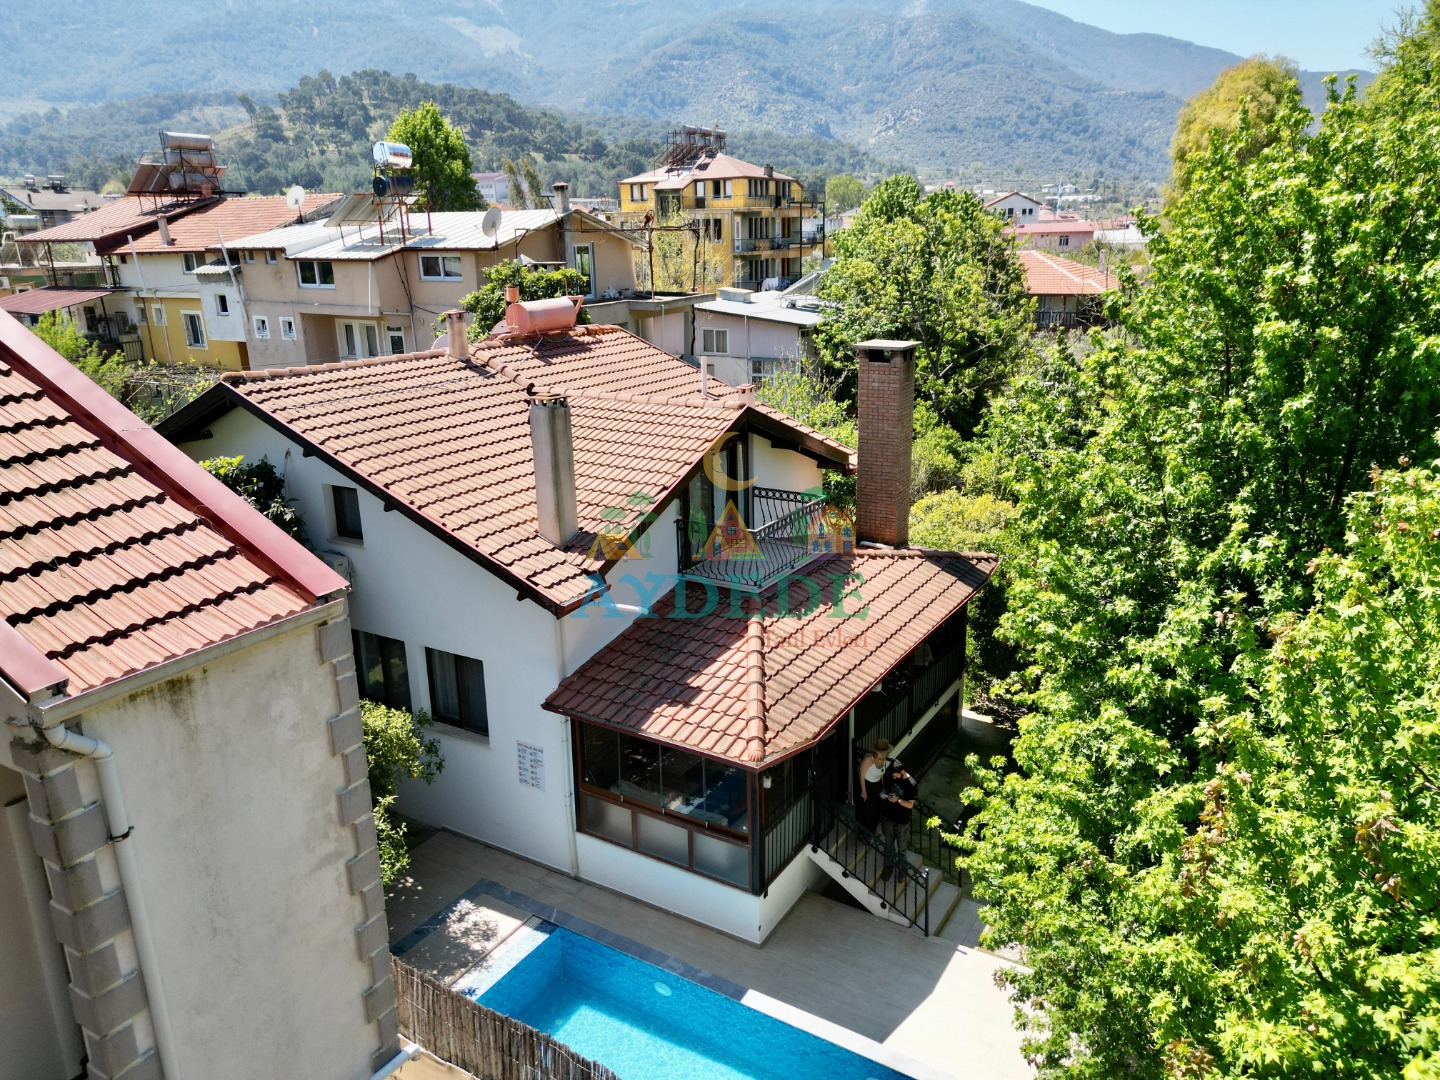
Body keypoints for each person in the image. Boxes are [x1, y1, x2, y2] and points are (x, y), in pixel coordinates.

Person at [878, 761, 918, 880]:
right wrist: (884, 794)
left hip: (902, 822)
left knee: (902, 849)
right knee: (888, 847)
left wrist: (898, 800)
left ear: (902, 772)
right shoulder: (890, 777)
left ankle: (902, 870)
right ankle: (888, 868)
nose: (893, 777)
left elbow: (910, 805)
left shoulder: (911, 784)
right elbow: (885, 788)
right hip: (888, 818)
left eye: (895, 775)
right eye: (892, 775)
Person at [856, 740, 890, 832]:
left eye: (884, 752)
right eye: (881, 752)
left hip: (877, 786)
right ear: (875, 751)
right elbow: (861, 775)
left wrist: (882, 786)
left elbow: (881, 774)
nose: (883, 754)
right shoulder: (868, 759)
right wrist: (864, 792)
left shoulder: (882, 759)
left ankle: (872, 830)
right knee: (867, 811)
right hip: (868, 786)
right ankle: (864, 832)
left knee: (876, 809)